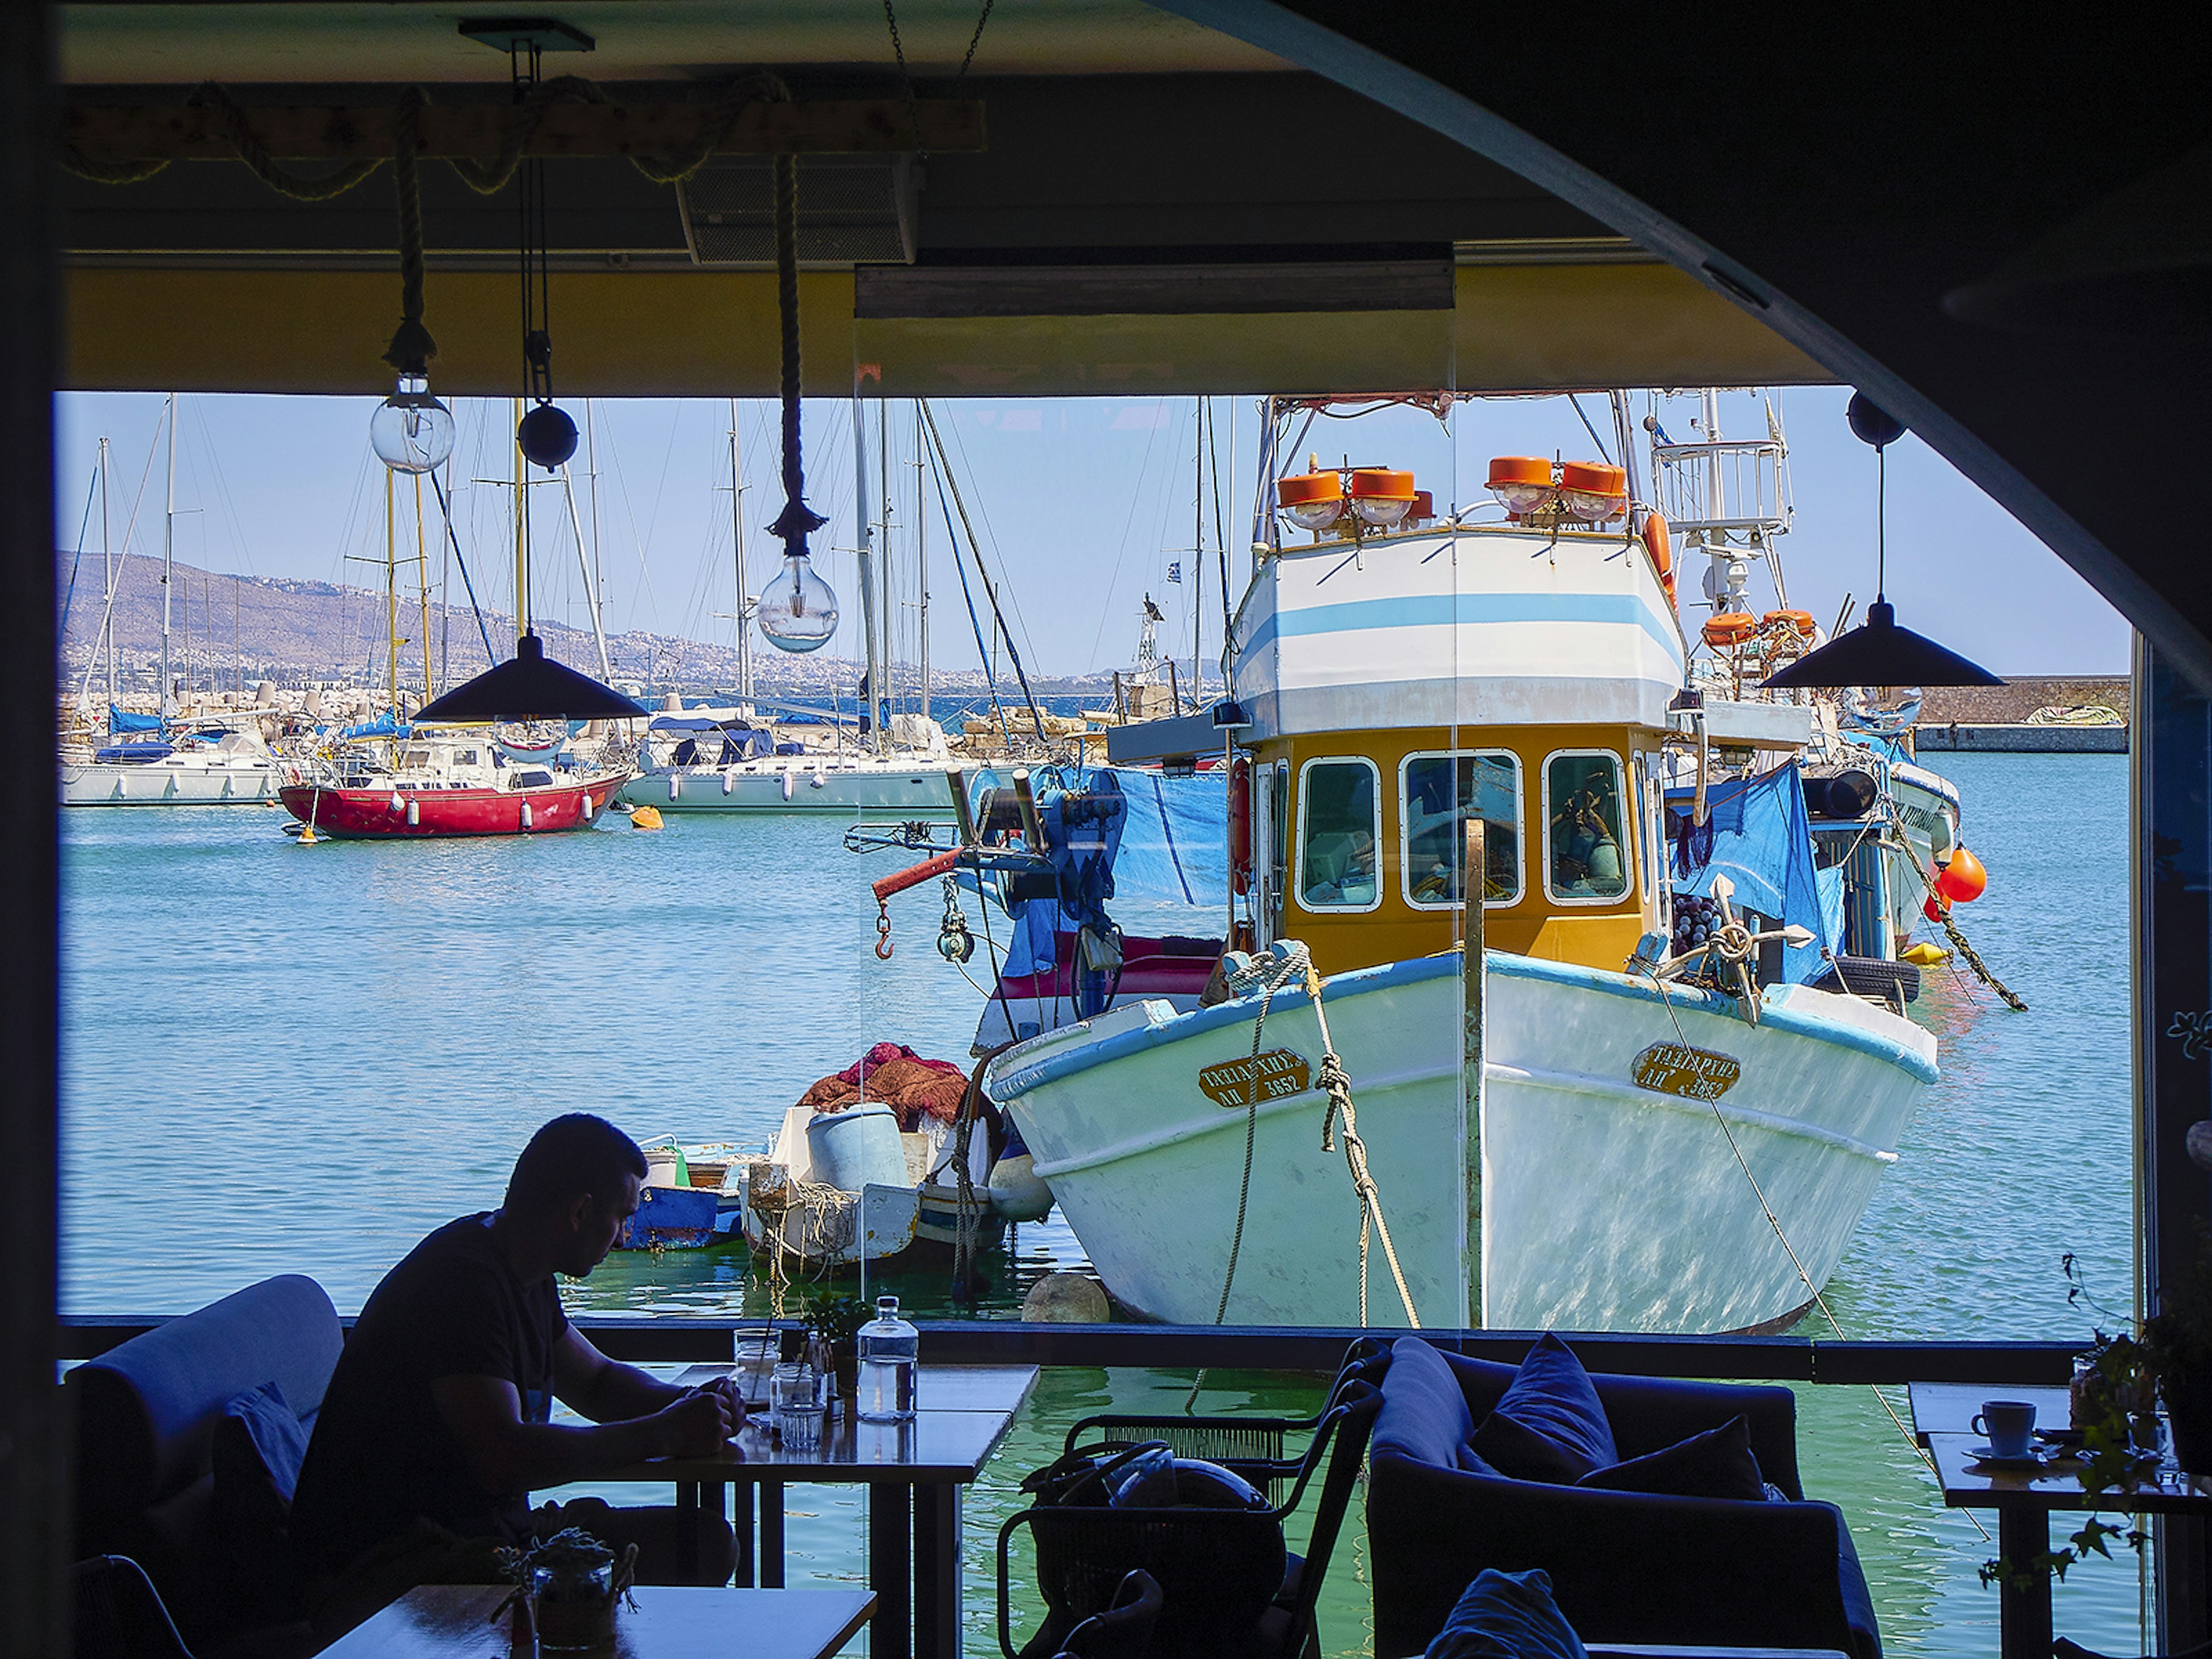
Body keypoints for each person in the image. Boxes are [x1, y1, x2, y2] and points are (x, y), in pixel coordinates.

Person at [291, 1113, 742, 1634]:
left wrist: (687, 1402)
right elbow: (502, 1459)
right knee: (656, 1563)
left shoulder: (523, 1267)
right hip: (400, 1558)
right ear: (579, 1212)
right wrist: (664, 1432)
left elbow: (595, 1381)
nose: (624, 1237)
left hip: (487, 1531)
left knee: (705, 1545)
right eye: (621, 1218)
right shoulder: (461, 1286)